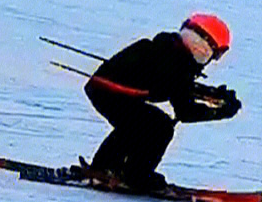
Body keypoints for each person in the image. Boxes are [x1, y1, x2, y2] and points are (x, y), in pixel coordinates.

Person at [84, 14, 240, 192]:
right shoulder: (178, 65)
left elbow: (176, 86)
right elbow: (185, 111)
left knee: (138, 124)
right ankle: (136, 176)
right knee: (159, 126)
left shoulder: (166, 48)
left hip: (103, 88)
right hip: (113, 93)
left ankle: (104, 168)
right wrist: (221, 112)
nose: (197, 52)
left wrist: (209, 93)